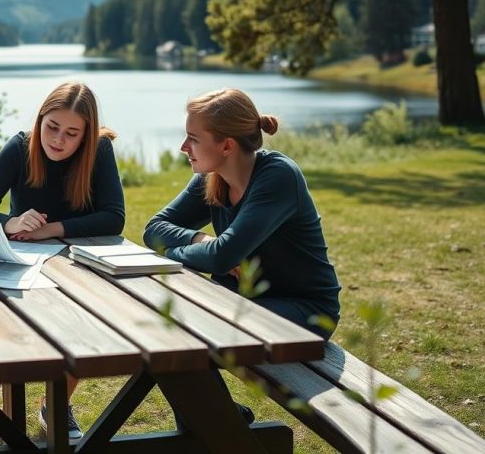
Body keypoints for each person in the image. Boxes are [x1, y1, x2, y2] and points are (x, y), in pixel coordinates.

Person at [0, 81, 126, 440]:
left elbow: (114, 217)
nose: (58, 140)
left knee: (83, 323)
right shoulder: (20, 146)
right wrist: (10, 222)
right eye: (52, 127)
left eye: (71, 133)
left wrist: (52, 228)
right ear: (40, 119)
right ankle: (11, 419)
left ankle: (54, 406)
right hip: (23, 262)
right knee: (16, 329)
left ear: (85, 135)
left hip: (77, 264)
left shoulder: (99, 150)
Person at [143, 87, 341, 337]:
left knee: (187, 326)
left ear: (226, 146)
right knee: (168, 314)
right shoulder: (212, 178)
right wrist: (201, 239)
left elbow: (220, 258)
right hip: (242, 299)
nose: (184, 147)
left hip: (304, 311)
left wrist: (171, 253)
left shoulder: (278, 176)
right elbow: (154, 229)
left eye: (193, 139)